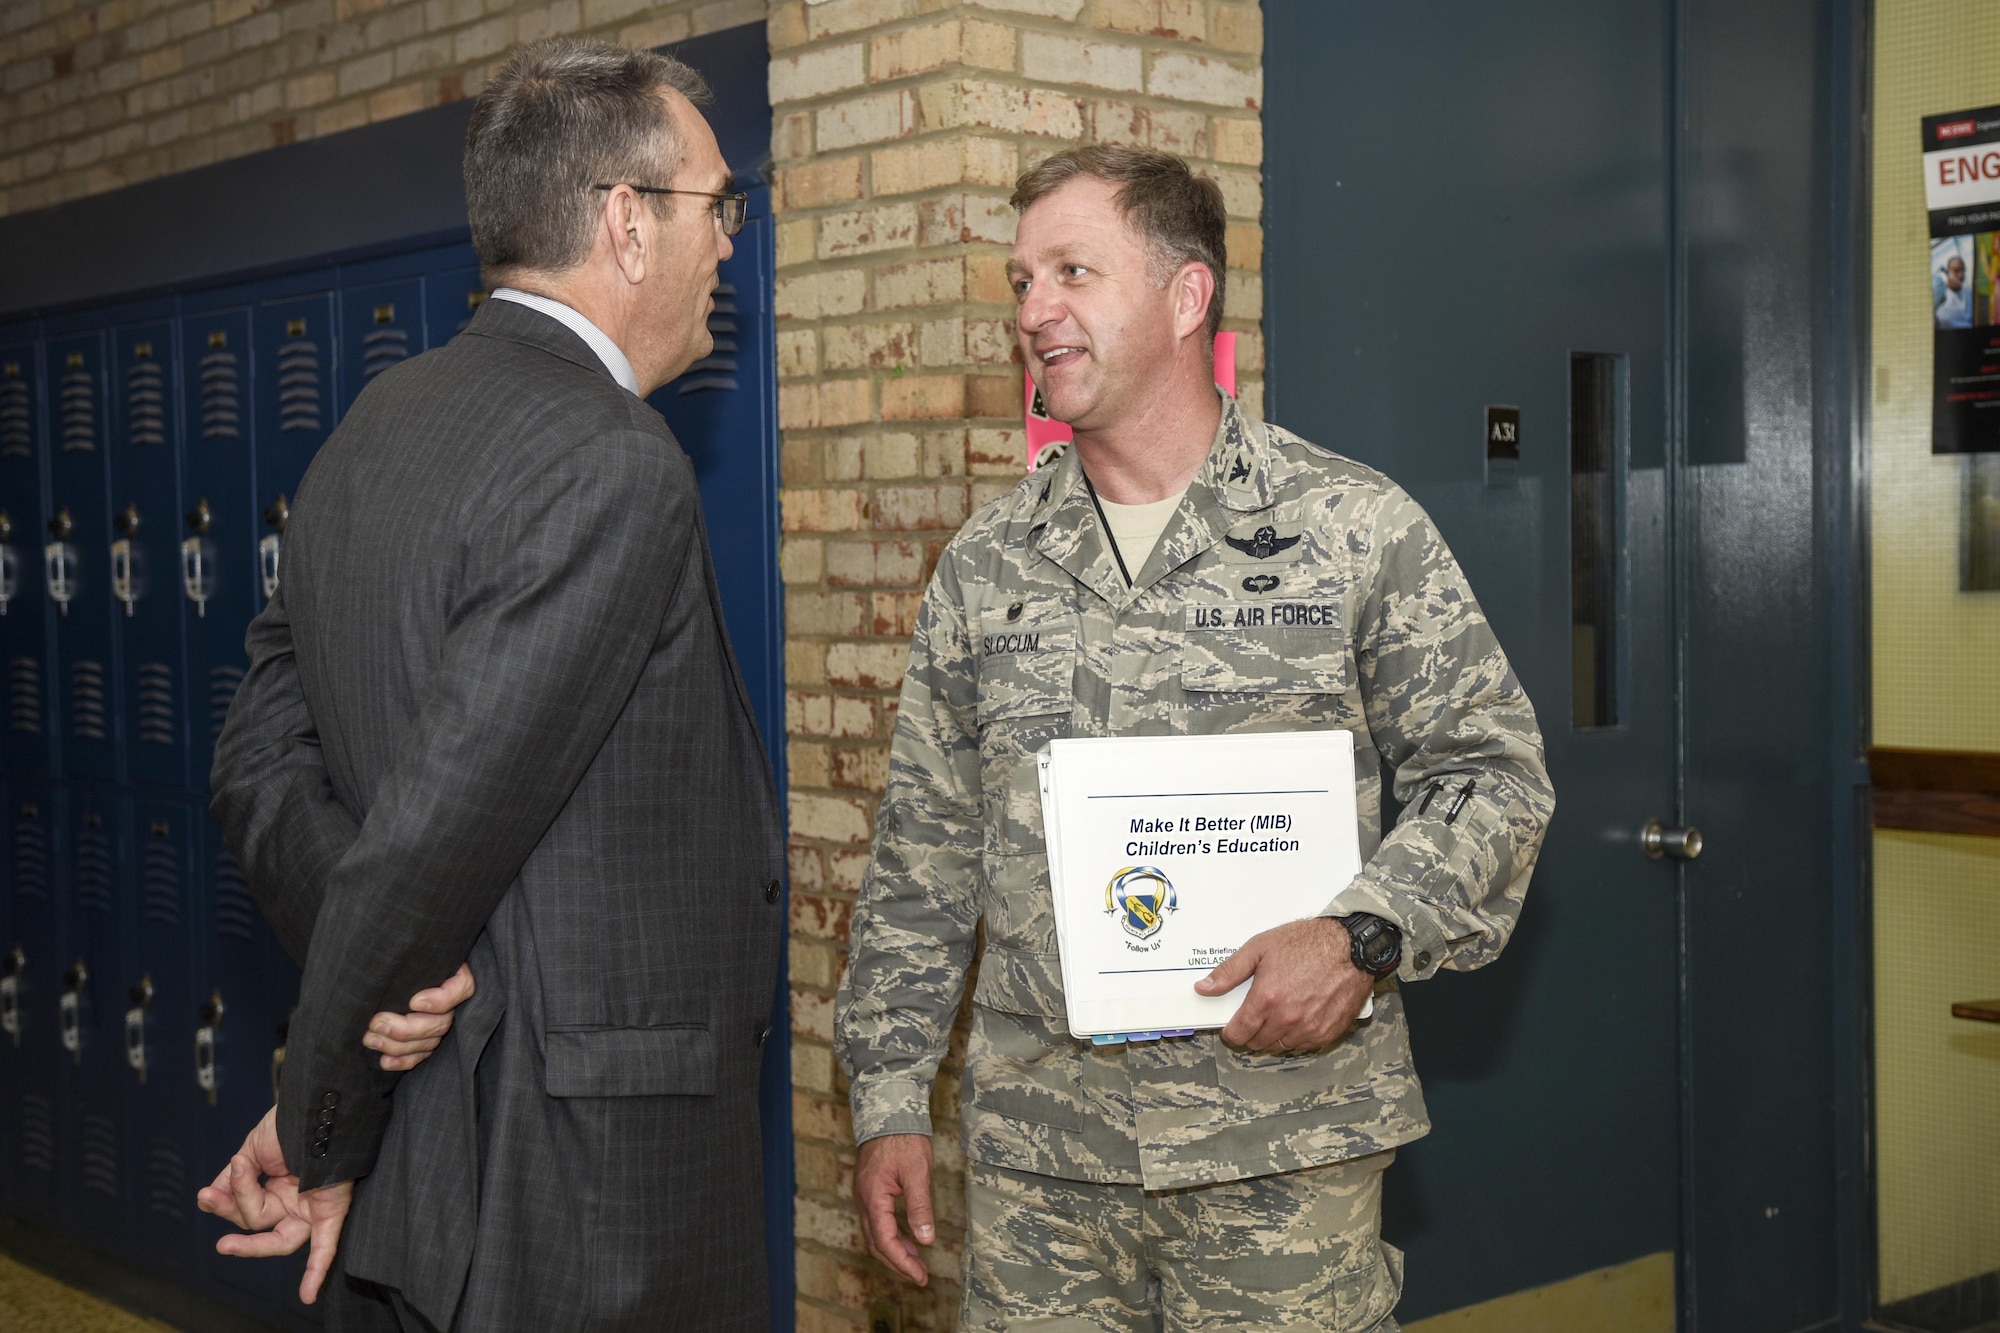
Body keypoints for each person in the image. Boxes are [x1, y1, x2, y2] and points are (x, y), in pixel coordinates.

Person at [836, 146, 1555, 1331]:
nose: (1034, 311)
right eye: (1020, 282)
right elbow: (923, 850)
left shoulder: (1349, 529)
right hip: (1041, 1173)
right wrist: (889, 1095)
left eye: (1072, 270)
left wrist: (1360, 934)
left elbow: (1491, 778)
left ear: (1186, 297)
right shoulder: (984, 566)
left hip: (1281, 1153)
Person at [195, 37, 784, 1333]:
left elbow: (254, 760)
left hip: (442, 1168)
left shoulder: (370, 430)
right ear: (628, 223)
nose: (730, 243)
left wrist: (389, 987)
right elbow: (434, 834)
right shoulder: (612, 465)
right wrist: (325, 1118)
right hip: (577, 1203)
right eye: (717, 204)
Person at [1936, 251, 1973, 328]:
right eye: (1956, 271)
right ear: (1947, 273)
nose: (1961, 275)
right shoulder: (1941, 299)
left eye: (1963, 270)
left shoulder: (1970, 292)